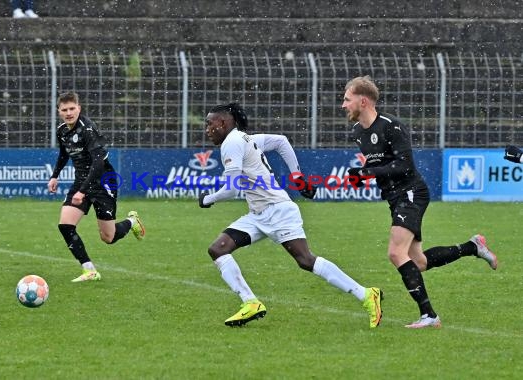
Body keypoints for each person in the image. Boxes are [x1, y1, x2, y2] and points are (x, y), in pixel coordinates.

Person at [199, 102, 383, 328]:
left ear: (223, 122)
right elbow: (281, 141)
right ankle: (250, 303)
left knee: (306, 260)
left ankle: (366, 294)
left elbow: (232, 188)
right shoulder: (245, 139)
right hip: (257, 215)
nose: (207, 130)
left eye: (209, 124)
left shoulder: (232, 143)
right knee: (218, 249)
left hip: (278, 211)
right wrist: (296, 175)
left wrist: (207, 199)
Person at [342, 76, 498, 329]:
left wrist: (370, 173)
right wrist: (361, 175)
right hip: (394, 198)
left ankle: (429, 315)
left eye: (347, 99)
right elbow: (376, 165)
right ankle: (473, 247)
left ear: (363, 101)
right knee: (419, 262)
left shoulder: (392, 126)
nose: (343, 105)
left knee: (395, 253)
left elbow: (404, 165)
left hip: (411, 192)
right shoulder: (357, 132)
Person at [48, 91, 145, 282]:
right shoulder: (62, 131)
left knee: (108, 237)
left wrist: (83, 191)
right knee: (65, 226)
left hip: (103, 181)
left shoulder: (88, 129)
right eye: (64, 109)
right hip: (81, 181)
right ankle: (89, 270)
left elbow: (99, 163)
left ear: (79, 108)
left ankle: (131, 222)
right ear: (59, 111)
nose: (69, 113)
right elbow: (64, 154)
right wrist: (55, 176)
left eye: (72, 108)